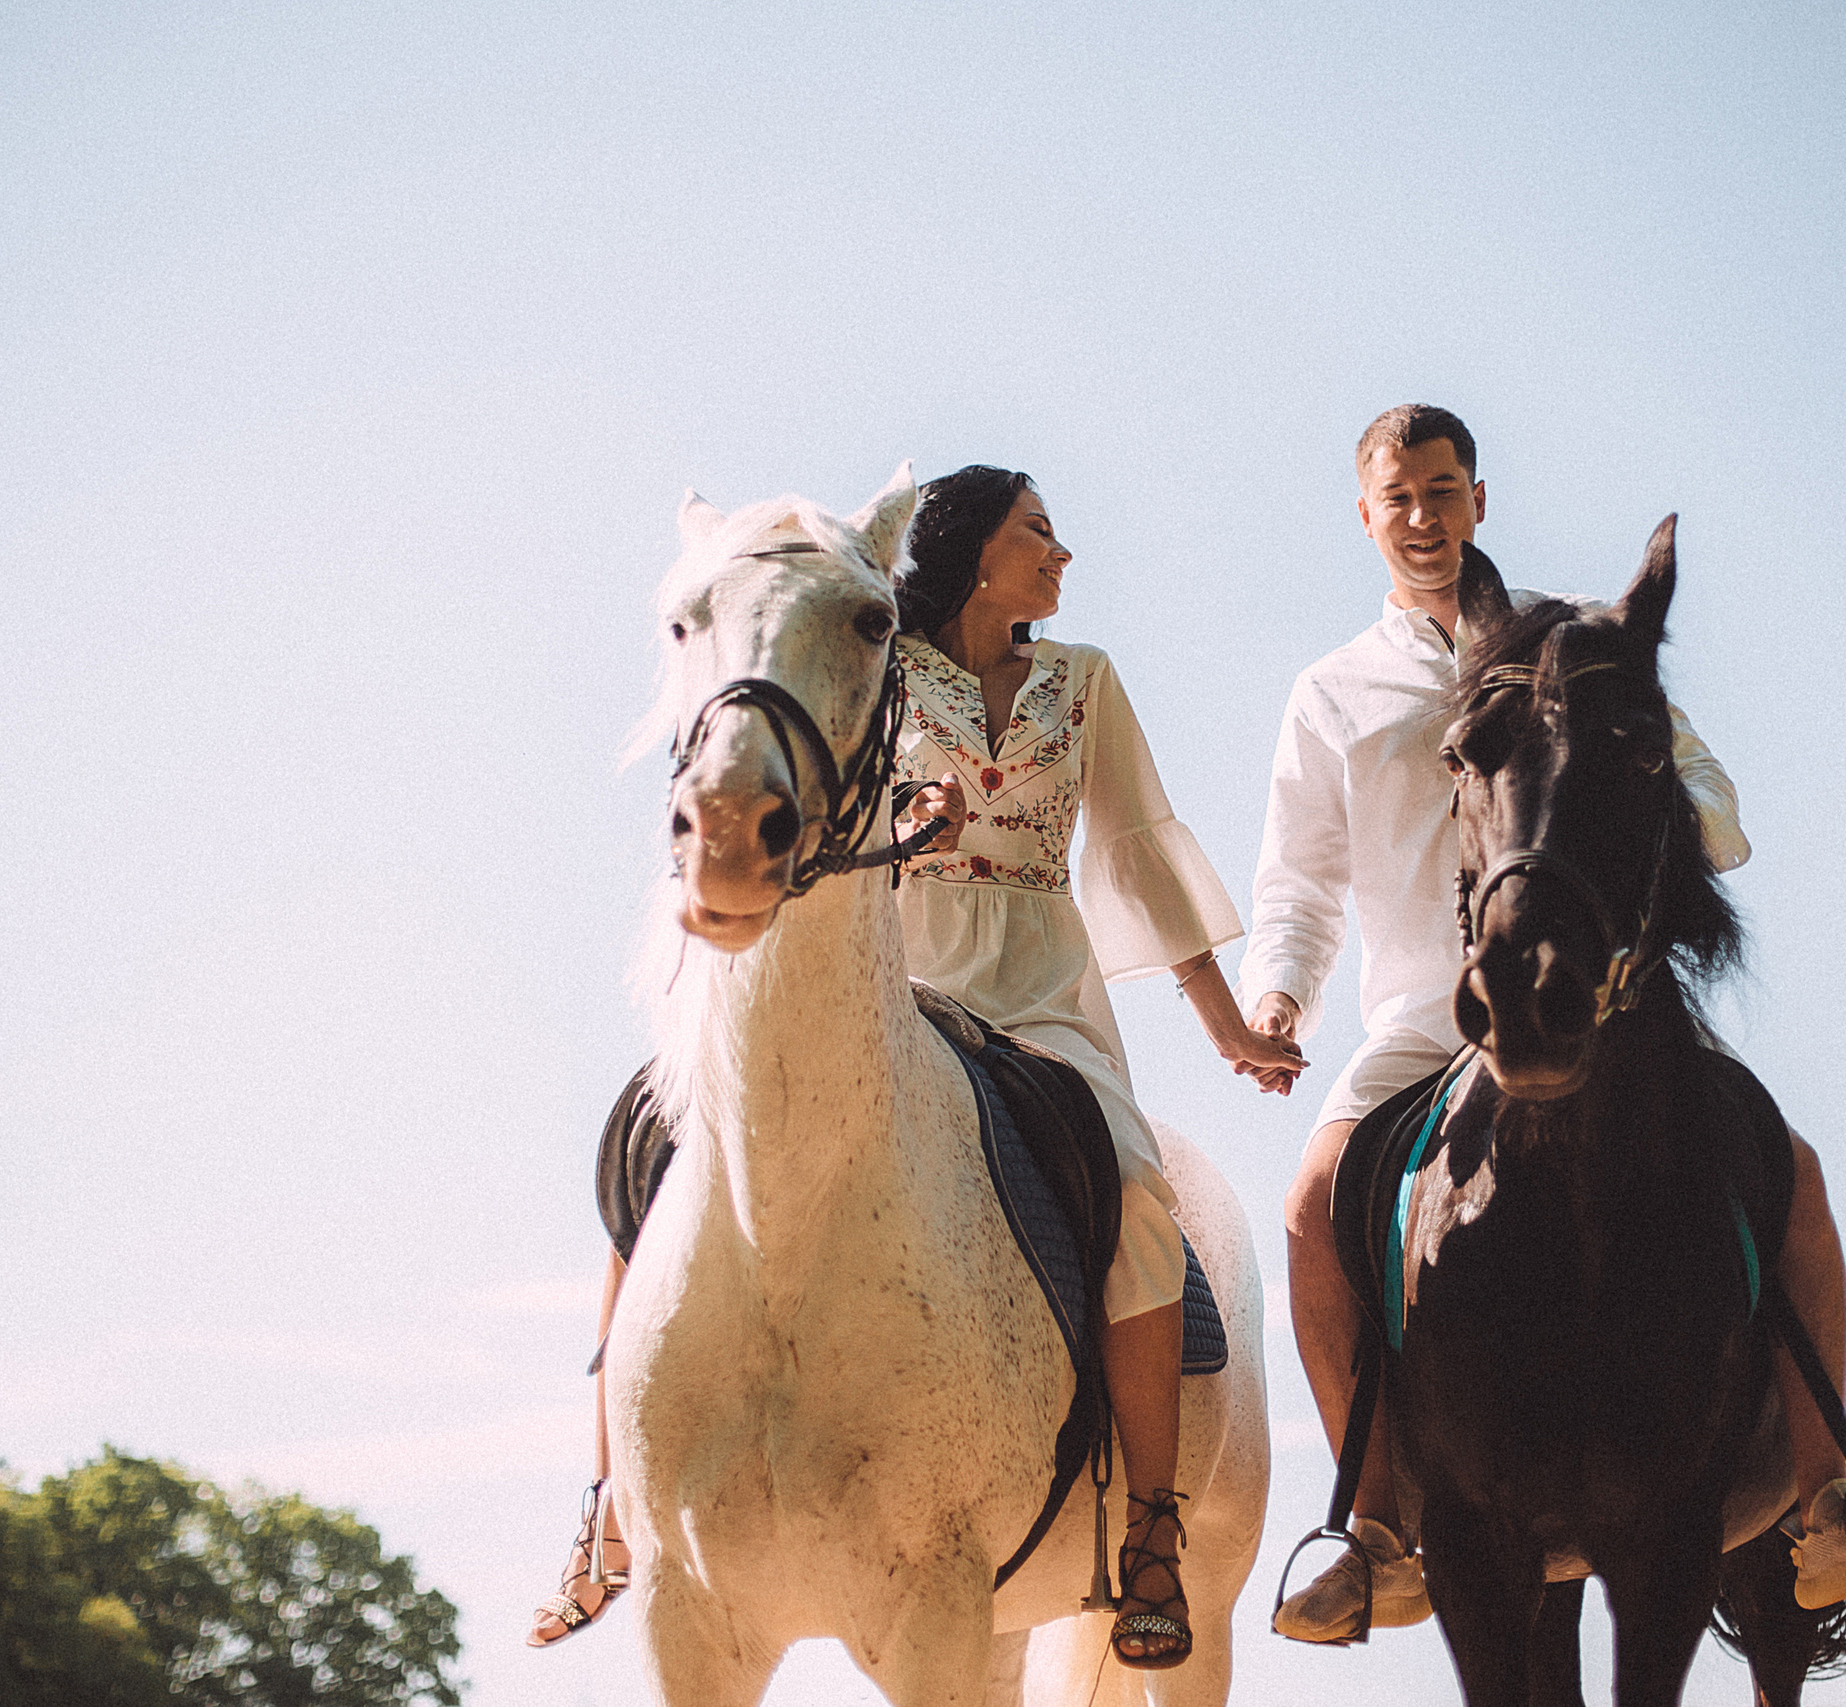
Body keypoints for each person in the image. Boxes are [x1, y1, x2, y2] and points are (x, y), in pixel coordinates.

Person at [527, 466, 1306, 1672]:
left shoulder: (1082, 681)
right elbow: (817, 789)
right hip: (895, 980)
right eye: (1037, 532)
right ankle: (608, 1509)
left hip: (1044, 1002)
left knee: (1143, 1220)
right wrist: (902, 828)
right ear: (975, 556)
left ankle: (1150, 1528)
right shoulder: (878, 666)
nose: (1060, 553)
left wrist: (1227, 1028)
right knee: (657, 1154)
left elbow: (1140, 853)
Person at [1248, 405, 1846, 1639]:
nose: (1421, 517)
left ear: (1479, 499)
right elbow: (1298, 879)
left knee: (1790, 1169)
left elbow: (1712, 811)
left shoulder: (1578, 645)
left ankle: (1829, 1493)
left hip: (1603, 997)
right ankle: (1365, 1527)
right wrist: (1278, 993)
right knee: (1313, 1211)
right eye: (1396, 498)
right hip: (1427, 1015)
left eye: (1442, 490)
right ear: (1364, 517)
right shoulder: (1330, 690)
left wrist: (1649, 784)